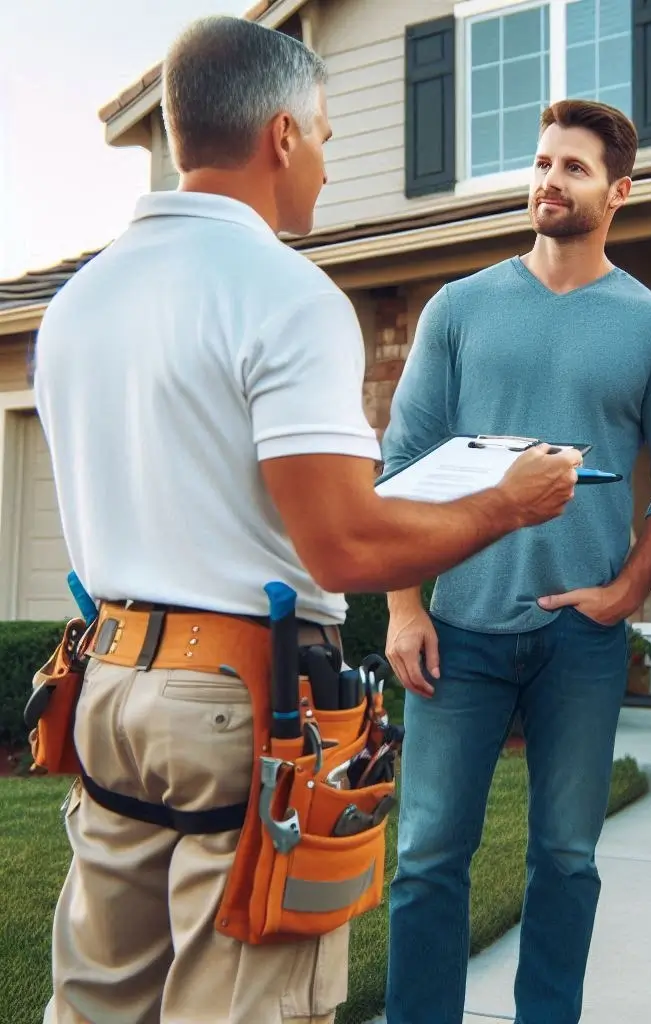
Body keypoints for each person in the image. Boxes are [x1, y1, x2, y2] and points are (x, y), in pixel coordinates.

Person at [33, 16, 582, 1024]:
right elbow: (346, 545)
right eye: (324, 136)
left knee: (100, 1004)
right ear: (281, 135)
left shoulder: (77, 303)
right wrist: (509, 501)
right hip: (240, 711)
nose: (326, 167)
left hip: (107, 684)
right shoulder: (287, 297)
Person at [381, 98, 651, 1024]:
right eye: (541, 163)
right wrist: (406, 608)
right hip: (459, 630)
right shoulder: (460, 307)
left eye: (573, 167)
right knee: (429, 856)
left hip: (581, 638)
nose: (549, 181)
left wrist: (628, 591)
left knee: (567, 857)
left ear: (619, 191)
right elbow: (400, 470)